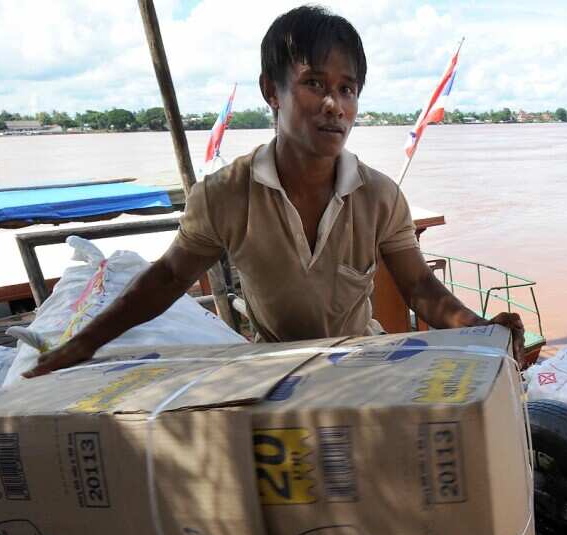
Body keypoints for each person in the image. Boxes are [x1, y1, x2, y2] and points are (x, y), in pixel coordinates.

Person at [26, 6, 524, 377]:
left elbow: (419, 288)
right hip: (271, 373)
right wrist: (82, 346)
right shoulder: (224, 195)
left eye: (347, 89)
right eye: (314, 83)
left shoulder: (380, 196)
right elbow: (165, 280)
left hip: (360, 365)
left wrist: (479, 326)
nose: (334, 104)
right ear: (272, 91)